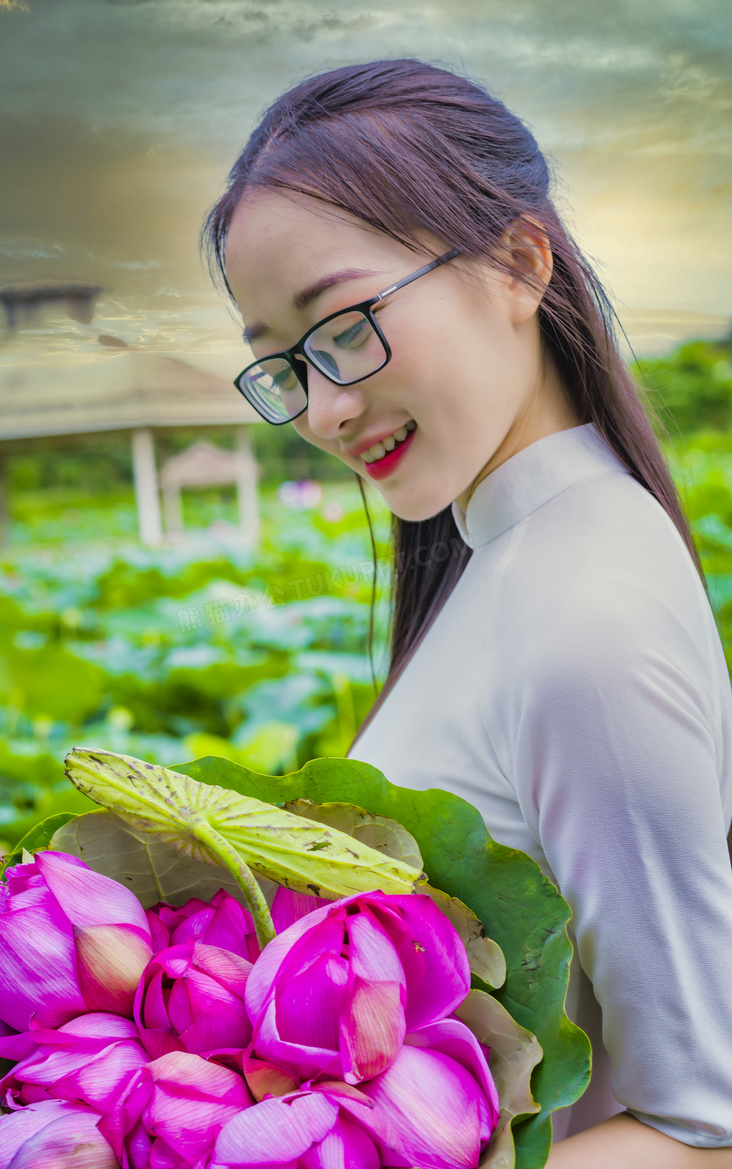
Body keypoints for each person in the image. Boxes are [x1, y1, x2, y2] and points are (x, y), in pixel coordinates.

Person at [201, 58, 732, 1167]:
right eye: (286, 367)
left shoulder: (586, 616)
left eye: (345, 324)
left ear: (518, 262)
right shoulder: (512, 557)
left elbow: (703, 1122)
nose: (327, 408)